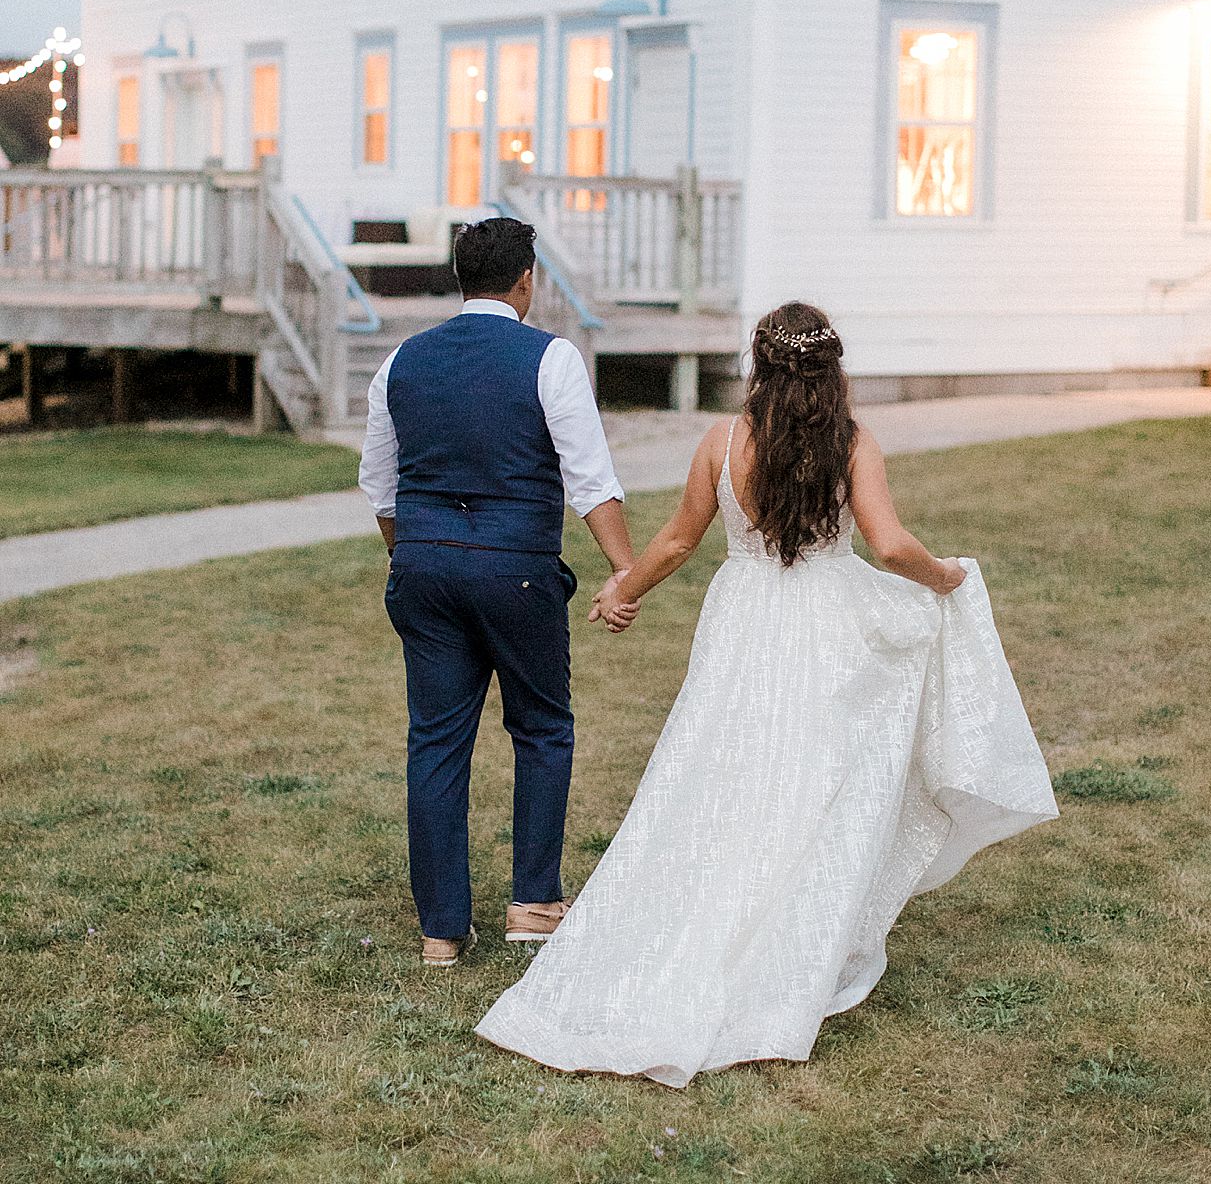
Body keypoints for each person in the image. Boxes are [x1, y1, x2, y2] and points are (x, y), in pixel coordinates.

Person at [477, 300, 1058, 1086]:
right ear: (831, 366)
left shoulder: (723, 441)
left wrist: (626, 591)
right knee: (818, 780)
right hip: (830, 619)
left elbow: (680, 537)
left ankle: (730, 919)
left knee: (727, 770)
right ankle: (787, 938)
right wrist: (948, 577)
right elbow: (889, 544)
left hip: (747, 614)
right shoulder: (853, 442)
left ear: (759, 362)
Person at [359, 216, 638, 969]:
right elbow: (590, 478)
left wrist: (413, 554)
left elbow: (379, 486)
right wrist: (623, 569)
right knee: (542, 726)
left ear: (460, 278)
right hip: (516, 569)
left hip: (421, 567)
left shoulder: (402, 361)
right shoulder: (550, 358)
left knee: (436, 739)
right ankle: (534, 902)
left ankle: (442, 932)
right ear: (526, 279)